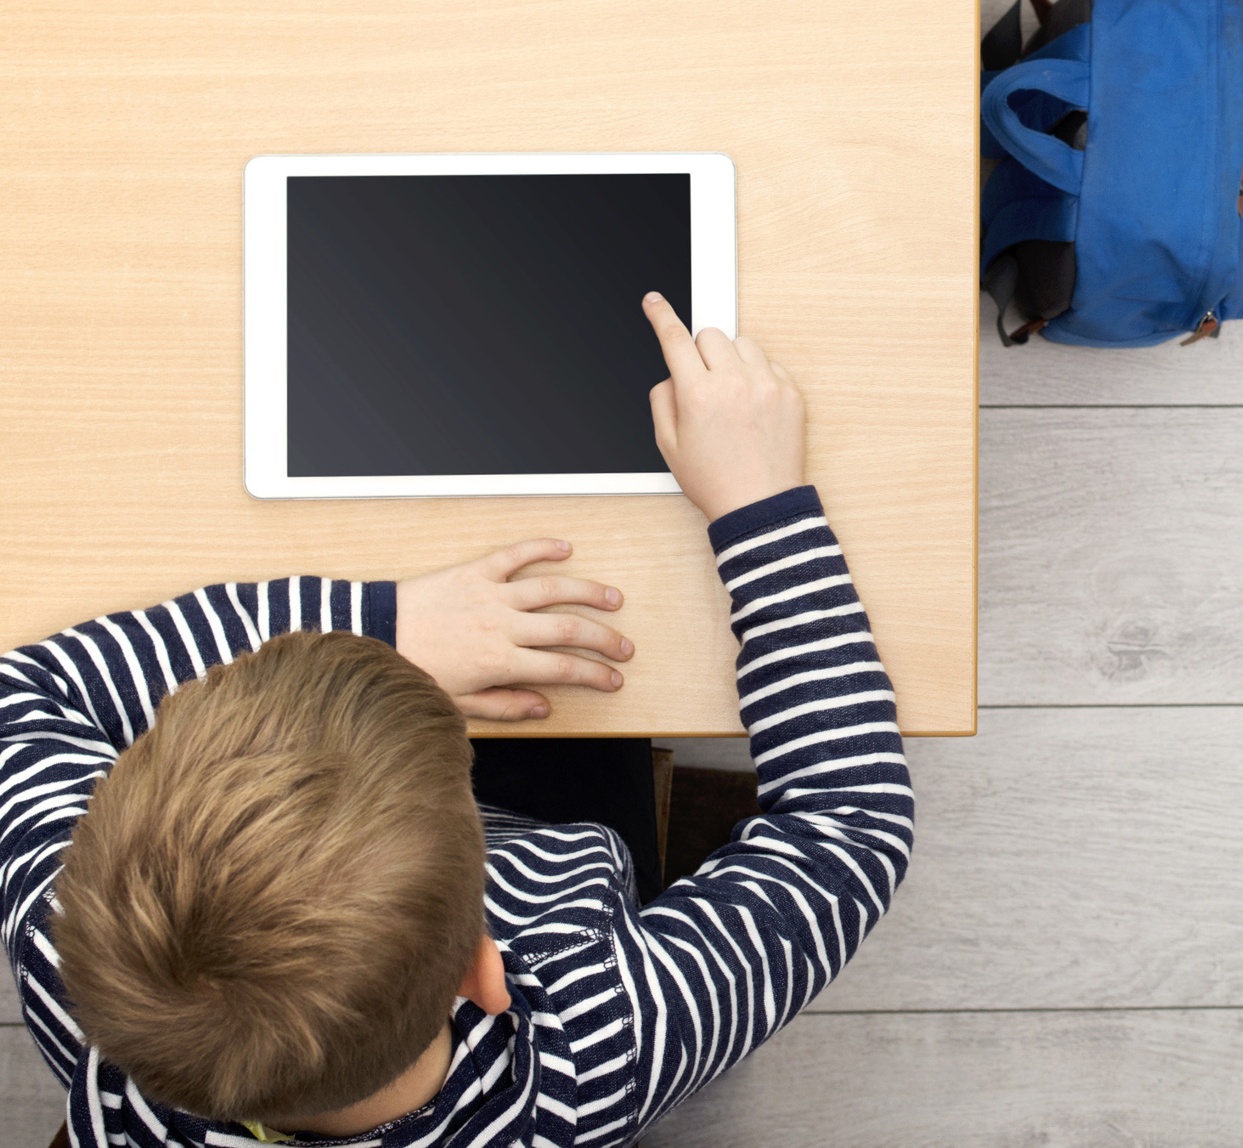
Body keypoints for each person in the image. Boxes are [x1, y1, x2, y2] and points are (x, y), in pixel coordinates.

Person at [0, 293, 913, 1147]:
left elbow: (16, 690)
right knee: (596, 685)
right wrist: (762, 508)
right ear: (484, 972)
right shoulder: (587, 1050)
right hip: (560, 839)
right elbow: (849, 826)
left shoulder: (75, 954)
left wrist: (389, 630)